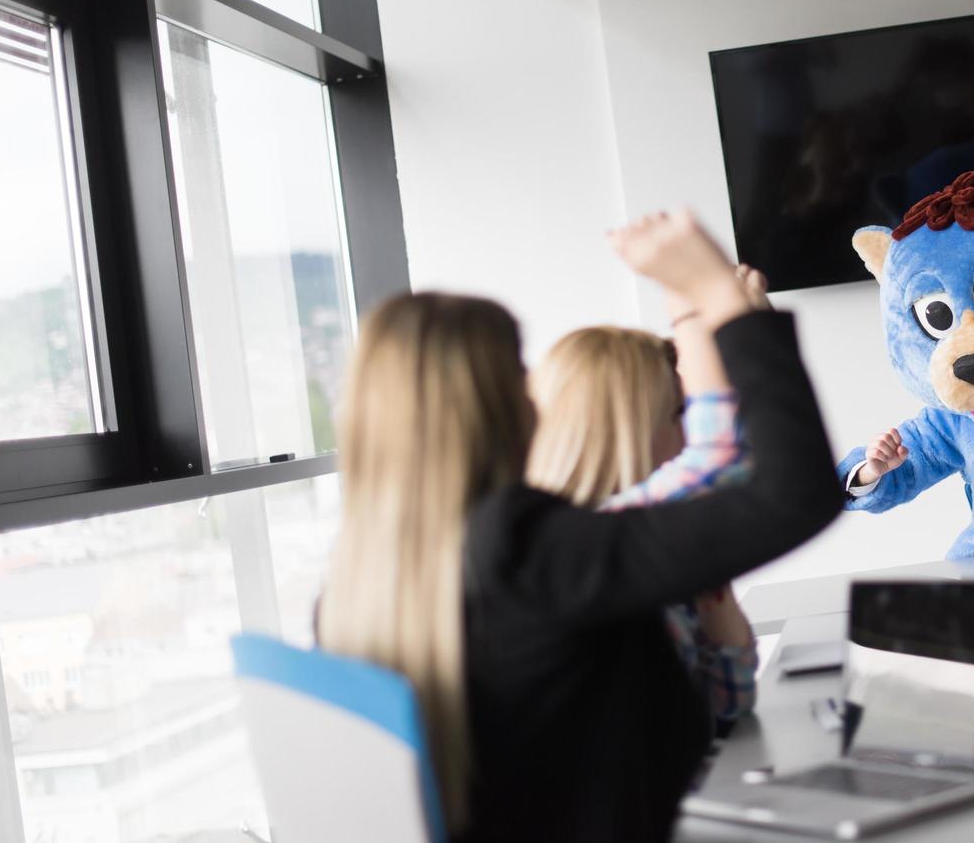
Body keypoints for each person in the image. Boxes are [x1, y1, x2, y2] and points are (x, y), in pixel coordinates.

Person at [317, 212, 842, 842]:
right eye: (521, 372)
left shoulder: (356, 586)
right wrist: (722, 300)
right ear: (502, 400)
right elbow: (793, 495)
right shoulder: (530, 551)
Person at [525, 266, 772, 732]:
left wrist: (709, 586)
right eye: (682, 412)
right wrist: (701, 313)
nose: (693, 429)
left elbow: (727, 701)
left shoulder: (654, 536)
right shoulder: (589, 540)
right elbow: (725, 454)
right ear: (633, 429)